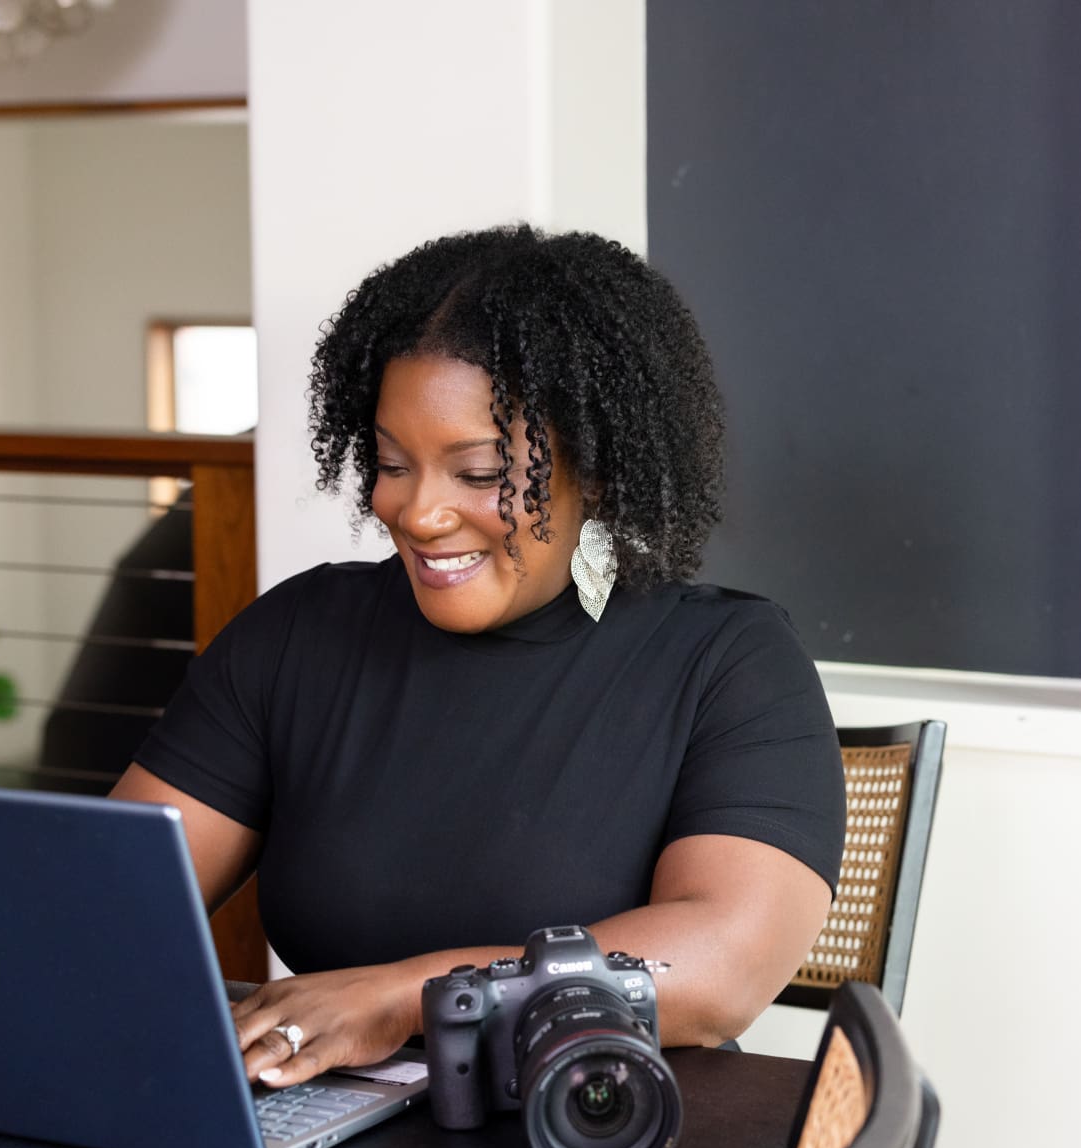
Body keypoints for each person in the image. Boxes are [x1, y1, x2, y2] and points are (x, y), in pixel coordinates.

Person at [111, 224, 845, 1089]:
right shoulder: (300, 635)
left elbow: (720, 966)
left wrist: (404, 997)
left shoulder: (726, 661)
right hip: (324, 1139)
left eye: (481, 471)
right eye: (391, 463)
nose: (418, 513)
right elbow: (114, 900)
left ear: (596, 469)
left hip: (593, 1142)